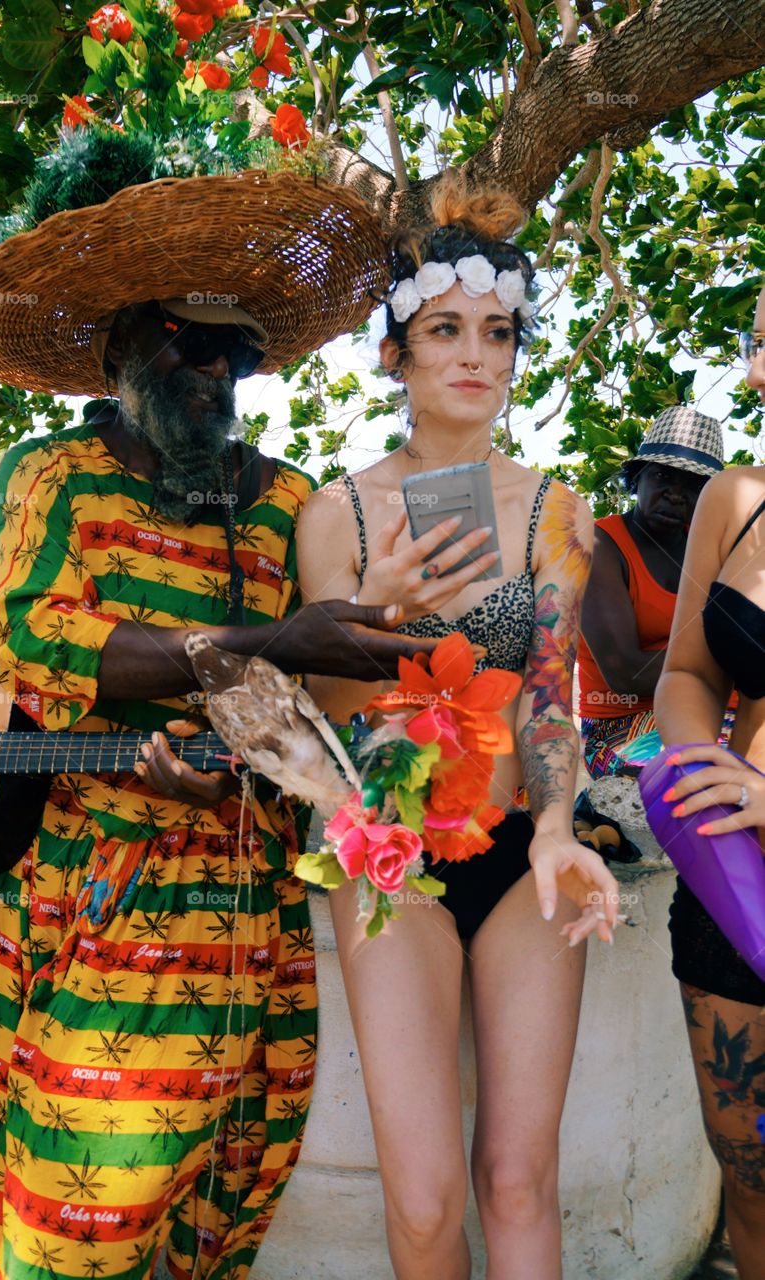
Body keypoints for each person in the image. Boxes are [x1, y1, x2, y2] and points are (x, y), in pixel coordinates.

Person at [0, 136, 477, 1280]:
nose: (216, 373)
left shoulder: (284, 507)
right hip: (27, 890)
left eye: (237, 352)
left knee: (174, 1209)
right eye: (186, 341)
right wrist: (265, 638)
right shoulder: (53, 478)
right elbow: (32, 635)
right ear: (123, 347)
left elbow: (311, 687)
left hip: (211, 904)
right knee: (6, 1209)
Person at [296, 174, 620, 1280]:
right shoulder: (334, 514)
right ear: (397, 353)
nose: (474, 353)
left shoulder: (554, 510)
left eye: (498, 331)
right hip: (391, 861)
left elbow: (545, 690)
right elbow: (338, 733)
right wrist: (380, 612)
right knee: (427, 1200)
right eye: (445, 329)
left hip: (518, 851)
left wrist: (557, 825)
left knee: (517, 1181)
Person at [653, 284, 765, 1280]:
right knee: (755, 1181)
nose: (756, 375)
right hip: (734, 894)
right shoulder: (738, 498)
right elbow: (687, 671)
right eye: (757, 343)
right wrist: (699, 769)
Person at [577, 408, 723, 778]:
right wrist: (734, 659)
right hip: (625, 726)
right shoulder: (598, 545)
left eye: (693, 485)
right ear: (636, 478)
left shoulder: (711, 548)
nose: (676, 495)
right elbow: (624, 671)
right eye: (662, 476)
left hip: (717, 710)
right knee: (705, 780)